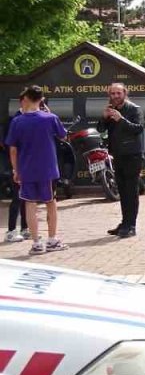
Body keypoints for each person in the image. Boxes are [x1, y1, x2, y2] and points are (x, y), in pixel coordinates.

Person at [5, 87, 68, 255]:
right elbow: (63, 135)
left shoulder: (17, 121)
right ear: (42, 99)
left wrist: (15, 170)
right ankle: (52, 239)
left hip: (26, 169)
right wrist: (49, 112)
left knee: (30, 204)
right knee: (50, 203)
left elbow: (13, 149)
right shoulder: (50, 118)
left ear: (26, 98)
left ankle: (36, 243)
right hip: (47, 169)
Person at [97, 82, 145, 237]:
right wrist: (104, 118)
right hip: (117, 155)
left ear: (125, 93)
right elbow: (100, 130)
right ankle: (124, 223)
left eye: (118, 93)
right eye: (112, 93)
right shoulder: (111, 110)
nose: (115, 96)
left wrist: (121, 119)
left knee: (131, 191)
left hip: (132, 155)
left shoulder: (134, 109)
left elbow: (138, 129)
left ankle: (131, 226)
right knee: (122, 191)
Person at [3, 117, 30, 243]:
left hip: (25, 165)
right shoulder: (15, 121)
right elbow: (10, 147)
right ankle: (11, 231)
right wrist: (15, 169)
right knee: (17, 198)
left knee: (25, 198)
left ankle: (25, 229)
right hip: (15, 166)